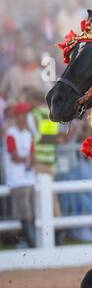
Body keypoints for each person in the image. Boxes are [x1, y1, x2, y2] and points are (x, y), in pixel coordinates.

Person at [3, 101, 37, 249]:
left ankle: (28, 242)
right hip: (17, 180)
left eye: (25, 114)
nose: (23, 118)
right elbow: (15, 157)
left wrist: (28, 159)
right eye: (21, 114)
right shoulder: (11, 134)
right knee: (26, 215)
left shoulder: (27, 134)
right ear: (17, 116)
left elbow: (32, 156)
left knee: (30, 214)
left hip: (28, 179)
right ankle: (31, 244)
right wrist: (28, 159)